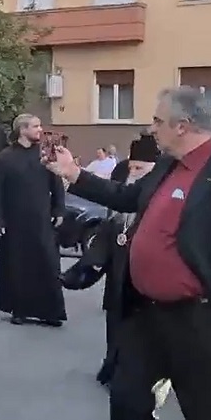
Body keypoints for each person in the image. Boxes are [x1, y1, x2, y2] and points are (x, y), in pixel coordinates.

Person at [46, 86, 211, 420]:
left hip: (200, 323)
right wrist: (74, 174)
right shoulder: (168, 165)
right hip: (147, 314)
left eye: (158, 121)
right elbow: (128, 197)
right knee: (126, 401)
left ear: (183, 126)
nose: (151, 128)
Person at [60, 134, 159, 386]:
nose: (134, 173)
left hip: (145, 279)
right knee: (115, 324)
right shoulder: (127, 185)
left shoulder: (160, 195)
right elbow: (110, 229)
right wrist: (90, 265)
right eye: (132, 167)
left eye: (141, 169)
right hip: (118, 274)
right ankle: (112, 367)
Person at [0, 113, 67, 327]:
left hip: (42, 220)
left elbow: (57, 184)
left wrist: (59, 210)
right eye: (35, 126)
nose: (40, 130)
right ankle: (20, 310)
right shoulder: (5, 157)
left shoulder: (45, 154)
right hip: (15, 222)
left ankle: (51, 312)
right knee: (18, 266)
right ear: (22, 130)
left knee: (48, 265)